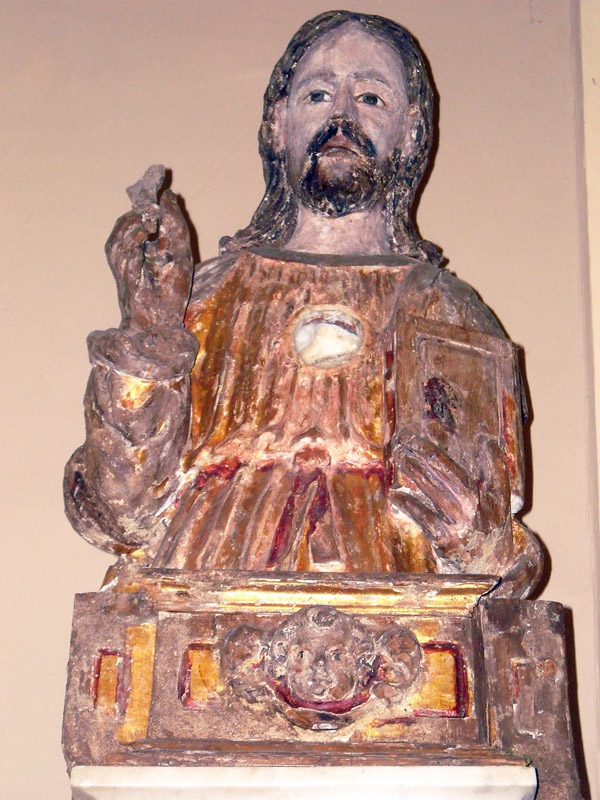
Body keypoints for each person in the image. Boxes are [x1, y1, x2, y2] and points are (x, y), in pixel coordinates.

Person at [65, 11, 541, 596]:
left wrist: (478, 539)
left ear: (411, 131)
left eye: (371, 97)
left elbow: (506, 568)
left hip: (398, 622)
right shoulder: (206, 298)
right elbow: (121, 514)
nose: (342, 117)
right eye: (318, 94)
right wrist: (149, 331)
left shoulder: (448, 313)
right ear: (277, 125)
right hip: (206, 610)